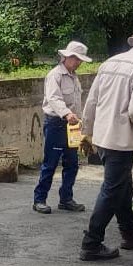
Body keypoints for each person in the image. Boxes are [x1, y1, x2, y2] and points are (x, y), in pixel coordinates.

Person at [79, 27, 133, 261]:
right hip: (121, 140)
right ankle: (91, 243)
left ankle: (129, 234)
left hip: (103, 137)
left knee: (123, 187)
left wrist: (86, 132)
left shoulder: (110, 63)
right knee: (111, 190)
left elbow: (92, 101)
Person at [32, 41, 92, 214]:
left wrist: (81, 122)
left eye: (80, 59)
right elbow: (54, 98)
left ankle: (66, 199)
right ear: (66, 57)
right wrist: (66, 114)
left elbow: (77, 103)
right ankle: (39, 199)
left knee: (72, 163)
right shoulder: (55, 75)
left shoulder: (74, 77)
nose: (78, 62)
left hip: (72, 126)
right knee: (50, 163)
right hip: (56, 124)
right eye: (76, 58)